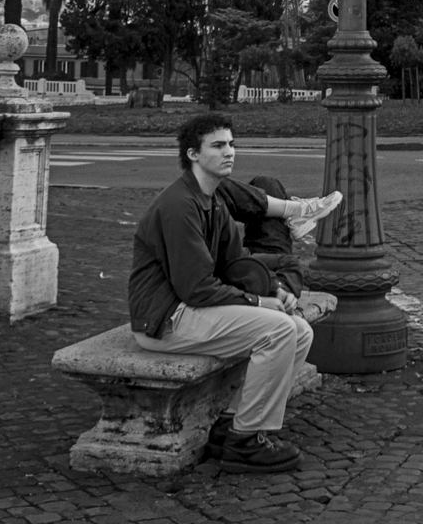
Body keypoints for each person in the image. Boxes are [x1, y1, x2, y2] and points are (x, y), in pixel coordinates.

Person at [128, 110, 340, 474]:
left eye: (231, 144)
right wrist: (260, 301)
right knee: (278, 330)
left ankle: (233, 425)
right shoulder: (180, 205)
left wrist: (275, 289)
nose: (229, 152)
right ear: (194, 154)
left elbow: (234, 265)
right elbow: (196, 288)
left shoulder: (213, 202)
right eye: (218, 146)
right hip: (165, 320)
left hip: (191, 311)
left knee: (300, 330)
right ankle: (245, 443)